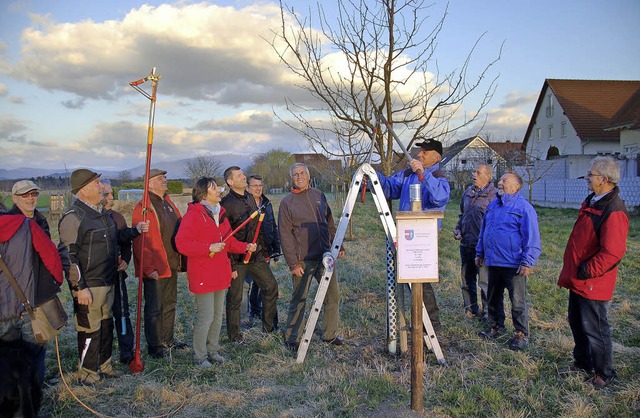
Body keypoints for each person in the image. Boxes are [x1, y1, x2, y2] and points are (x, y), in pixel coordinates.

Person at [58, 169, 147, 384]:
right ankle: (88, 373)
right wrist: (79, 287)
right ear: (84, 189)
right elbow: (68, 256)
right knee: (89, 329)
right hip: (89, 285)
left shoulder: (102, 215)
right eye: (97, 183)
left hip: (110, 281)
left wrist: (134, 231)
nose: (102, 188)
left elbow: (116, 239)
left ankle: (104, 365)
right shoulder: (74, 217)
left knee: (106, 326)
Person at [557, 156, 629, 389]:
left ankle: (604, 373)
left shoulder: (613, 210)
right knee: (577, 323)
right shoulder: (593, 201)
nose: (587, 177)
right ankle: (582, 363)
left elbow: (613, 252)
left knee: (595, 328)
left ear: (605, 179)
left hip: (593, 281)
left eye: (591, 174)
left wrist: (588, 270)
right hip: (579, 278)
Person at [175, 177, 256, 368]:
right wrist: (208, 247)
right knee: (206, 316)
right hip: (203, 274)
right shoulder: (193, 215)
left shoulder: (220, 214)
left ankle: (213, 350)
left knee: (218, 315)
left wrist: (246, 247)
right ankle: (200, 356)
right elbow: (182, 244)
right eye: (214, 188)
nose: (219, 190)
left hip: (220, 273)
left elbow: (228, 242)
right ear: (204, 194)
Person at [377, 138, 450, 332]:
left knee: (421, 281)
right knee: (409, 280)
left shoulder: (439, 178)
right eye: (420, 151)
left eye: (424, 152)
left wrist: (424, 174)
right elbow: (390, 188)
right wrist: (373, 175)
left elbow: (439, 198)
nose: (419, 154)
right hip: (406, 236)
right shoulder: (408, 174)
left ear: (436, 157)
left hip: (424, 240)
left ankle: (431, 324)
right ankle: (420, 322)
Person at [0, 209, 63, 416]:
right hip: (28, 309)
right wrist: (52, 285)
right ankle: (32, 407)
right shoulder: (27, 225)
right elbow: (52, 259)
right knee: (34, 360)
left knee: (4, 367)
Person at [279, 162, 346, 351]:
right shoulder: (287, 202)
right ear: (291, 178)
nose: (299, 177)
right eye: (295, 174)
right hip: (303, 259)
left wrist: (338, 245)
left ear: (308, 176)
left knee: (333, 296)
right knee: (299, 298)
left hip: (325, 256)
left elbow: (329, 224)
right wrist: (293, 263)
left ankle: (329, 334)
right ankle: (293, 338)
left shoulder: (319, 196)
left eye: (302, 173)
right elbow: (285, 235)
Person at [476, 172, 541, 351]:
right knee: (493, 297)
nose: (500, 183)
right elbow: (484, 231)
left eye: (505, 181)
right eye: (500, 180)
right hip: (493, 261)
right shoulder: (493, 206)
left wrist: (527, 262)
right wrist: (480, 252)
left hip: (513, 265)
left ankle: (521, 333)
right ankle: (496, 326)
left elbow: (532, 237)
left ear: (516, 186)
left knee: (517, 301)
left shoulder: (524, 208)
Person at [132, 168, 186, 359]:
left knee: (170, 303)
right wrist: (148, 268)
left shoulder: (168, 203)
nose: (165, 180)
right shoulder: (144, 208)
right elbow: (141, 242)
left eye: (165, 177)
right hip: (155, 267)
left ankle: (168, 339)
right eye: (160, 178)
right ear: (149, 184)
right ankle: (155, 346)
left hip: (171, 263)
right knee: (155, 307)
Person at [221, 167, 278, 342]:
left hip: (256, 257)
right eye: (239, 176)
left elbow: (257, 229)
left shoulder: (250, 199)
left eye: (243, 174)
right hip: (237, 259)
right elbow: (224, 237)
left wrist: (264, 251)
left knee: (271, 287)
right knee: (235, 298)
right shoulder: (225, 205)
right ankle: (235, 336)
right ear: (230, 182)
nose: (243, 177)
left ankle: (268, 328)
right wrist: (230, 265)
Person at [8, 180, 57, 382]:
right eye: (24, 195)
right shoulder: (8, 223)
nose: (30, 198)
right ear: (14, 198)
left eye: (33, 194)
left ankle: (36, 387)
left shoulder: (40, 220)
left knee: (39, 343)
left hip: (39, 293)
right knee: (20, 351)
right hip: (16, 298)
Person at [102, 181, 142, 365]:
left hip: (118, 277)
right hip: (100, 279)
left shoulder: (117, 217)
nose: (111, 198)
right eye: (106, 194)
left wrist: (125, 260)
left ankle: (126, 351)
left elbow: (125, 240)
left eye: (111, 193)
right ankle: (103, 354)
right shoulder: (91, 219)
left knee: (123, 313)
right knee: (104, 317)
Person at [454, 164, 497, 320]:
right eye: (474, 172)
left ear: (488, 176)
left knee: (485, 282)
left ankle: (488, 314)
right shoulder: (468, 193)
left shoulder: (494, 196)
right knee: (467, 279)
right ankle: (471, 309)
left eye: (478, 173)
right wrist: (458, 229)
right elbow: (462, 215)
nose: (474, 175)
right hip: (466, 244)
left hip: (483, 248)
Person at [245, 175, 281, 327]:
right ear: (247, 188)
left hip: (264, 251)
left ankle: (256, 309)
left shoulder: (267, 204)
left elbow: (272, 226)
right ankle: (246, 316)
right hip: (248, 253)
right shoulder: (244, 204)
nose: (258, 188)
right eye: (254, 186)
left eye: (260, 185)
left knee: (260, 285)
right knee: (246, 285)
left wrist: (275, 249)